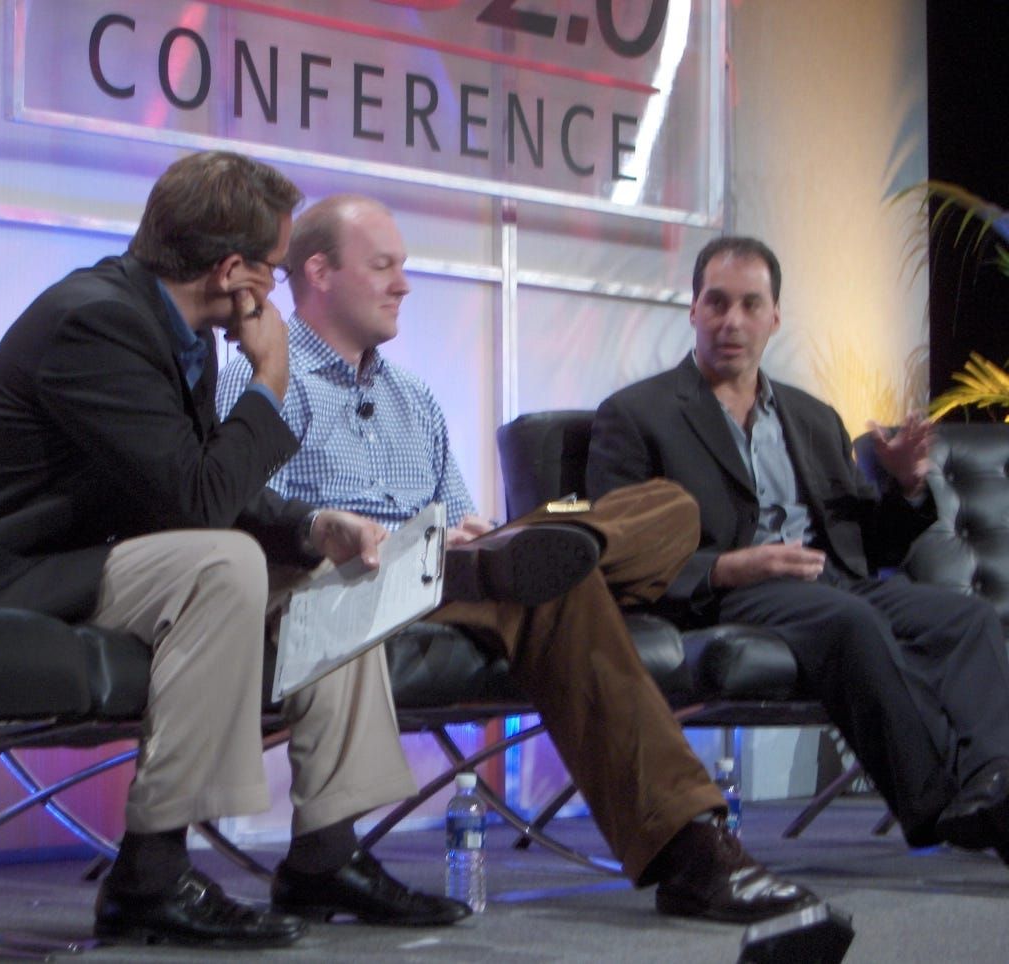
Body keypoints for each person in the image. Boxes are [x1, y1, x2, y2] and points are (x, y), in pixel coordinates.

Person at [0, 153, 501, 949]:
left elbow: (191, 479)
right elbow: (195, 501)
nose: (279, 286)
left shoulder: (171, 324)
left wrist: (309, 528)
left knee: (332, 576)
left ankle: (327, 853)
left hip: (110, 557)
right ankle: (149, 875)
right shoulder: (96, 319)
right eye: (274, 264)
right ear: (232, 271)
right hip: (14, 572)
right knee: (223, 563)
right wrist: (273, 375)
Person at [217, 194, 820, 924]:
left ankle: (558, 552)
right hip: (347, 579)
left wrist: (475, 538)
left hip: (456, 573)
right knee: (545, 581)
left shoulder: (415, 398)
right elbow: (255, 520)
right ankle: (693, 850)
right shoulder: (258, 380)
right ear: (317, 271)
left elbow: (460, 512)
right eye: (384, 266)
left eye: (403, 267)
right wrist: (377, 536)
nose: (404, 283)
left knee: (667, 507)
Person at [587, 235, 1009, 861]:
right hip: (734, 593)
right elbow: (616, 547)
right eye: (717, 303)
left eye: (751, 305)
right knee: (851, 622)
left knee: (966, 619)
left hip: (833, 581)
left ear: (774, 317)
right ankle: (941, 810)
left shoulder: (812, 417)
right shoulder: (637, 414)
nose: (732, 321)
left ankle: (993, 786)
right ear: (693, 310)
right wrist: (728, 567)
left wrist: (906, 484)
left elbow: (873, 546)